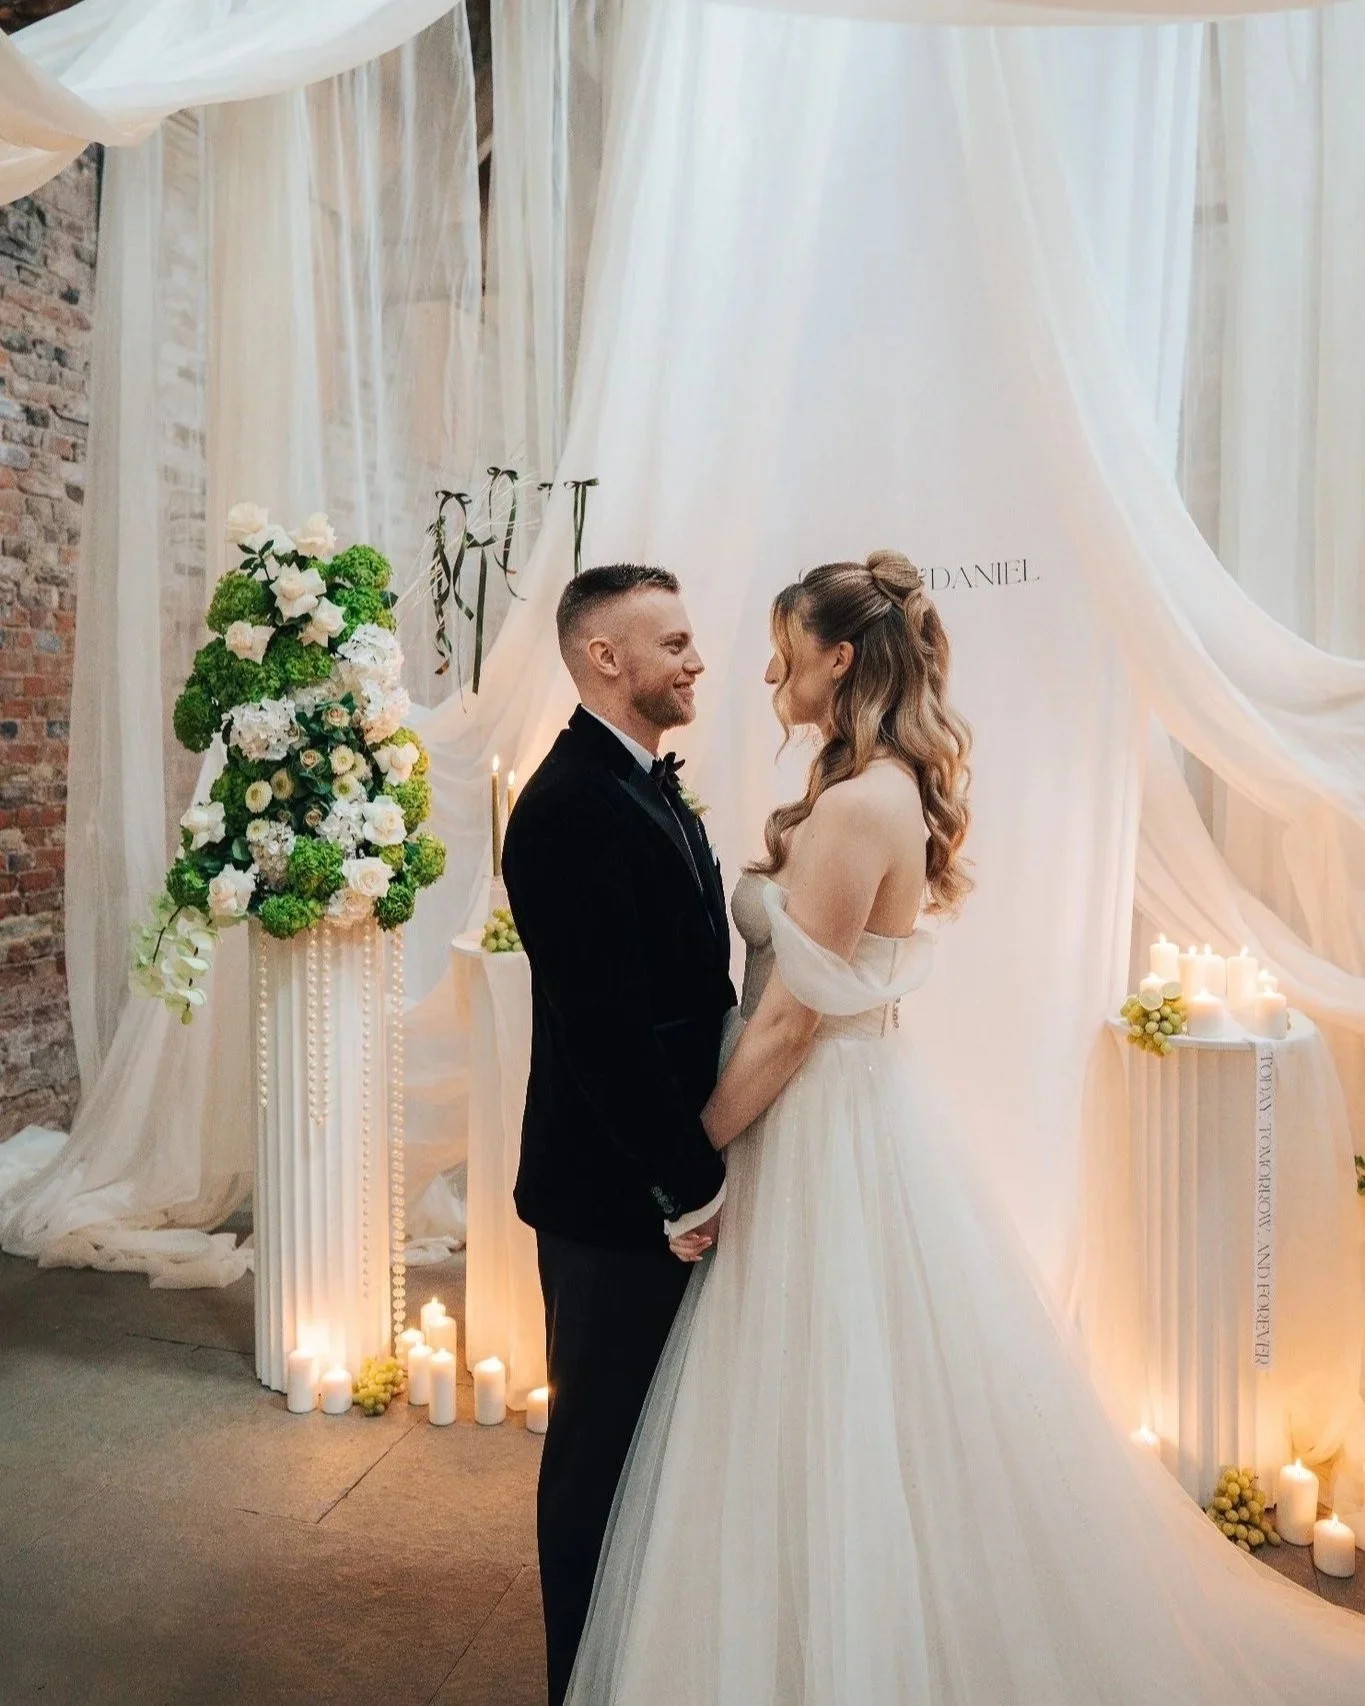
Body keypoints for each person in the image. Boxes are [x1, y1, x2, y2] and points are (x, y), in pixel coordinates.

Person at [564, 550, 1365, 1704]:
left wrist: (693, 1157)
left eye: (789, 641)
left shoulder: (856, 806)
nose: (769, 662)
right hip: (842, 1106)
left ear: (841, 656)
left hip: (816, 1119)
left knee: (820, 1392)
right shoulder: (874, 787)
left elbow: (789, 1026)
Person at [501, 563, 735, 1706]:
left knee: (654, 1448)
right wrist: (688, 1182)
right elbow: (606, 1033)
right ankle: (577, 1681)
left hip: (655, 1178)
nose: (697, 660)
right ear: (607, 658)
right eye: (675, 641)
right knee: (595, 1453)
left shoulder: (638, 779)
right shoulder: (565, 808)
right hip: (612, 1198)